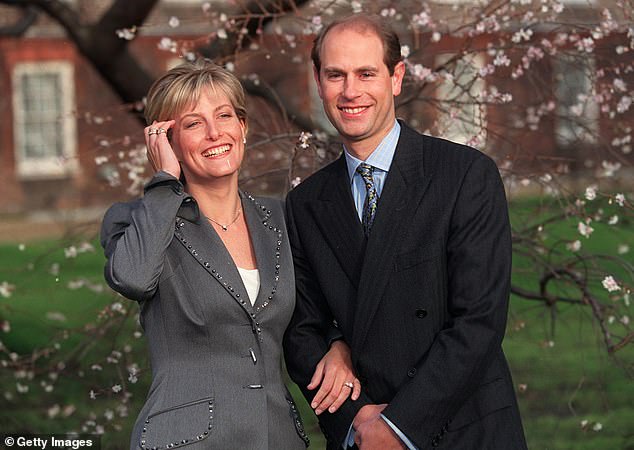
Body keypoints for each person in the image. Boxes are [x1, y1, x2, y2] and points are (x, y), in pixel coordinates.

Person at [283, 14, 528, 450]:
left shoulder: (464, 174)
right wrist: (355, 420)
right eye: (335, 75)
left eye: (366, 73)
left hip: (464, 431)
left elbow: (479, 321)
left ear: (396, 78)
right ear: (319, 83)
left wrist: (396, 427)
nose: (350, 91)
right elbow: (303, 330)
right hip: (363, 432)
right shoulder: (306, 204)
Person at [100, 60, 359, 450]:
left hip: (278, 437)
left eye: (224, 116)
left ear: (242, 127)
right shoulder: (139, 221)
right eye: (192, 124)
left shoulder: (280, 217)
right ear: (167, 141)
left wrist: (338, 345)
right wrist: (164, 183)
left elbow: (317, 312)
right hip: (186, 441)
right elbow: (134, 278)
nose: (214, 132)